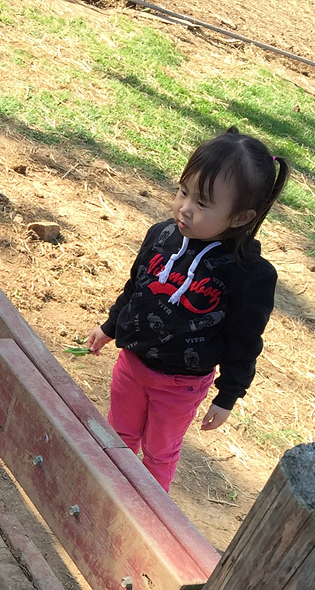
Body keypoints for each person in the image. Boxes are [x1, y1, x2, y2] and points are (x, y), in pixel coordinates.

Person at [87, 128, 291, 491]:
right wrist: (110, 326)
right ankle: (104, 494)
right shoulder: (161, 235)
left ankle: (146, 512)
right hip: (132, 365)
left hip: (180, 385)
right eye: (183, 192)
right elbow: (136, 287)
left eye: (203, 204)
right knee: (117, 436)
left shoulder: (249, 275)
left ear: (241, 217)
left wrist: (228, 394)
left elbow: (244, 340)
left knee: (159, 452)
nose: (185, 207)